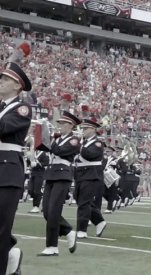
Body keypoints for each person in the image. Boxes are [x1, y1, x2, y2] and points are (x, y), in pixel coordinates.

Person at [0, 60, 33, 275]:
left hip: (7, 171)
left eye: (5, 79)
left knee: (1, 227)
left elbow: (3, 128)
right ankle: (11, 254)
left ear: (17, 85)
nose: (0, 82)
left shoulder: (22, 108)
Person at [38, 111, 79, 256]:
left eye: (62, 124)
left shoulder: (74, 140)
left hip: (63, 174)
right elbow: (45, 148)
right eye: (59, 123)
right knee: (46, 211)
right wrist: (40, 137)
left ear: (70, 125)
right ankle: (68, 230)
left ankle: (52, 246)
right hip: (51, 173)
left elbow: (61, 151)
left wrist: (47, 138)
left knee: (54, 211)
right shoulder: (57, 139)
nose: (59, 126)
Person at [74, 119, 107, 239]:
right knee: (79, 199)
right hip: (81, 174)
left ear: (93, 129)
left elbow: (89, 154)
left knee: (84, 202)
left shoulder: (98, 143)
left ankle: (82, 230)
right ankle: (99, 221)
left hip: (92, 175)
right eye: (82, 129)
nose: (83, 131)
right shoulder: (85, 142)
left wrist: (79, 144)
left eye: (85, 129)